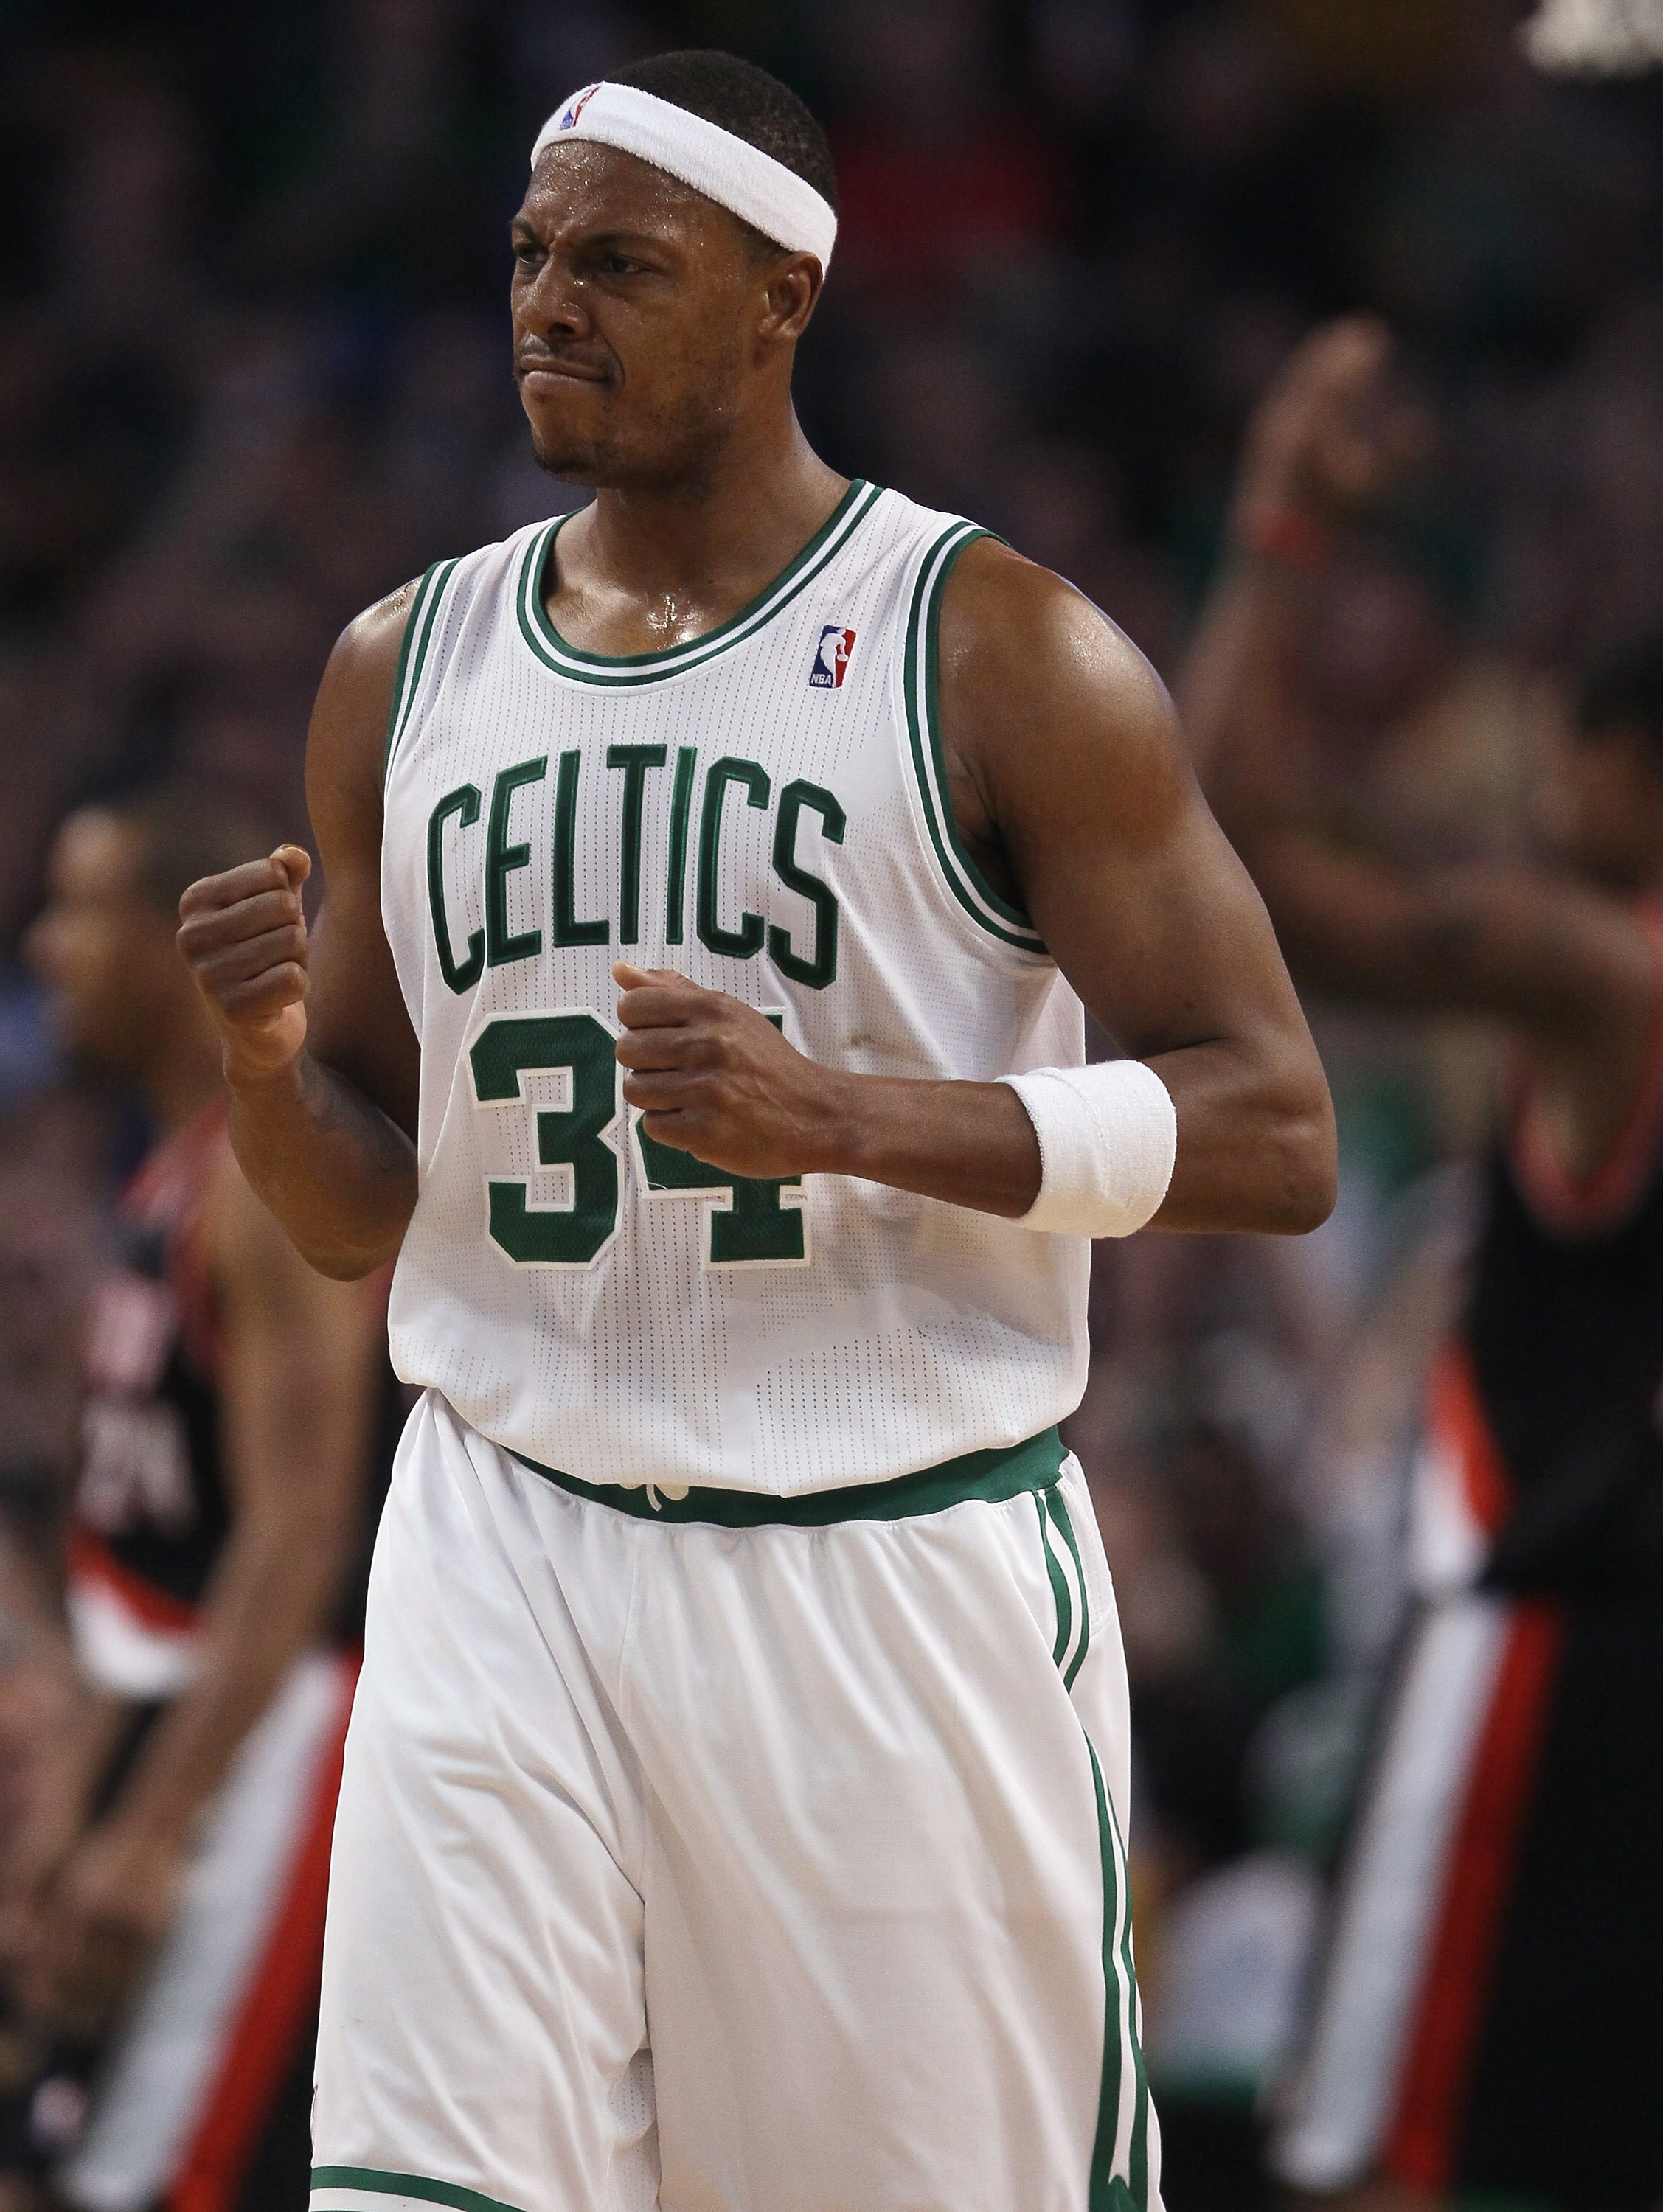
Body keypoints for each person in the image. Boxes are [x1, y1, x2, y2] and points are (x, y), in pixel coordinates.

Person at [176, 49, 1335, 2212]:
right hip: (502, 1536)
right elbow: (356, 1215)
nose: (550, 303)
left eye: (620, 264)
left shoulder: (999, 650)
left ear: (782, 294)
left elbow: (1276, 1129)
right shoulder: (399, 666)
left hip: (879, 1572)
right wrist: (261, 1068)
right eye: (530, 254)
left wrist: (852, 1119)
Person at [1187, 319, 1663, 2212]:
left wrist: (1280, 524)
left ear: (1628, 771)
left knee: (1395, 2168)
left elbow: (1234, 860)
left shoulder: (1607, 974)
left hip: (1547, 1655)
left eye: (1566, 757)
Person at [0, 786, 398, 2212]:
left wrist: (153, 1824)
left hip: (278, 1744)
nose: (47, 947)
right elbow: (147, 1569)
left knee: (161, 2180)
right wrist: (76, 1811)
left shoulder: (260, 1191)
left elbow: (298, 1535)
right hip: (181, 1724)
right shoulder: (167, 1178)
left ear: (178, 945)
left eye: (82, 908)